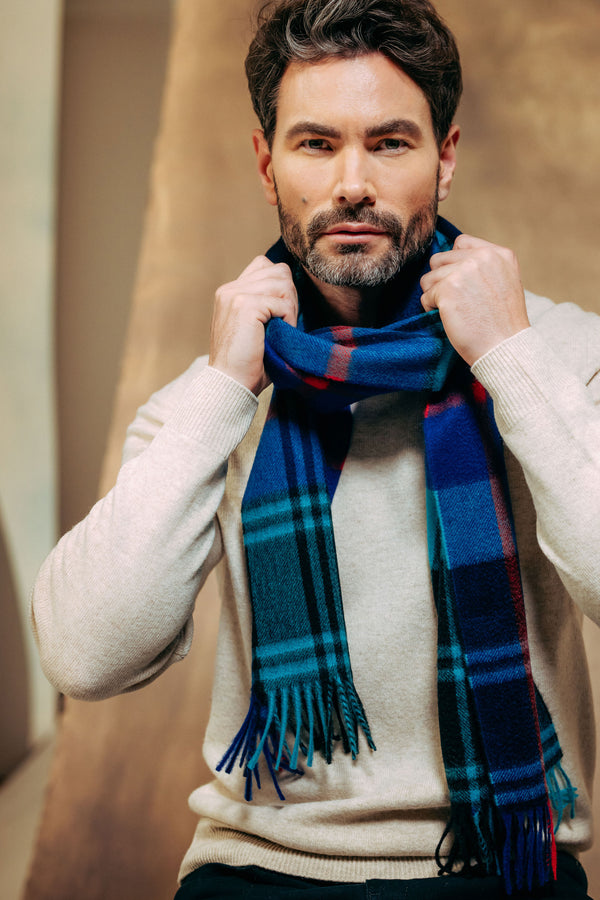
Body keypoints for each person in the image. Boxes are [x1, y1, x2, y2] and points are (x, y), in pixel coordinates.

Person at [31, 1, 599, 897]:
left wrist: (509, 358)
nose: (352, 182)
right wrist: (224, 389)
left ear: (445, 158)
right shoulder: (215, 396)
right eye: (314, 144)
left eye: (390, 142)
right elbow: (83, 655)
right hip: (258, 866)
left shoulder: (553, 358)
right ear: (268, 164)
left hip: (504, 857)